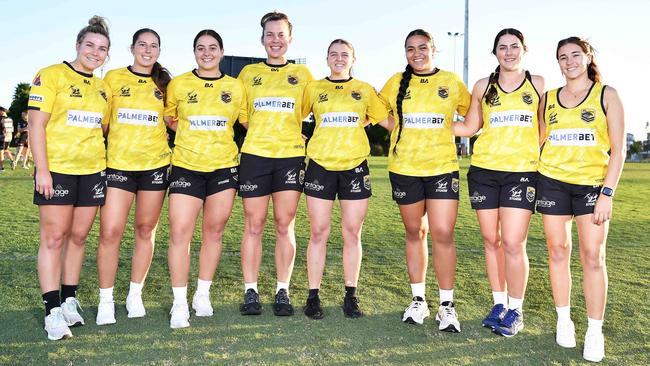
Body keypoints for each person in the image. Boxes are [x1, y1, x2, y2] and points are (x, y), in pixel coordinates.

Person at [537, 37, 624, 362]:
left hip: (592, 187)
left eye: (575, 54)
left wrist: (607, 192)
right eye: (563, 57)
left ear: (588, 57)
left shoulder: (607, 95)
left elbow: (619, 149)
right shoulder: (548, 99)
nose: (569, 61)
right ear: (557, 62)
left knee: (593, 257)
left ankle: (594, 330)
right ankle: (563, 321)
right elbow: (539, 141)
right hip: (552, 183)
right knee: (558, 252)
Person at [453, 28, 544, 337]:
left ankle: (516, 309)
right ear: (495, 53)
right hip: (484, 172)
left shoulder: (538, 84)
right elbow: (470, 127)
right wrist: (427, 122)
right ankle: (498, 304)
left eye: (514, 46)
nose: (509, 52)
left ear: (524, 50)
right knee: (492, 241)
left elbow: (542, 129)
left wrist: (524, 153)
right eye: (502, 47)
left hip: (522, 172)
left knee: (514, 243)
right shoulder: (482, 85)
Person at [379, 29, 470, 332]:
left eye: (422, 47)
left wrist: (449, 130)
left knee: (442, 232)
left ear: (434, 49)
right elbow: (377, 113)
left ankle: (447, 305)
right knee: (415, 232)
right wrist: (396, 127)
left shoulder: (451, 81)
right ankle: (418, 300)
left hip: (442, 167)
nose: (416, 53)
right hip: (404, 168)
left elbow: (473, 119)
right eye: (410, 49)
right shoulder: (395, 82)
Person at [28, 15, 111, 340]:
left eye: (102, 48)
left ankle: (69, 300)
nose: (95, 52)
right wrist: (43, 169)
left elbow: (101, 130)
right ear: (78, 45)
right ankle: (51, 311)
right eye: (89, 45)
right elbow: (36, 125)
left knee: (78, 238)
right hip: (58, 170)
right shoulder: (51, 75)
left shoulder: (103, 89)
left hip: (92, 171)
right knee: (53, 238)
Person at [164, 29, 246, 329]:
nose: (207, 52)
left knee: (213, 233)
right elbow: (170, 119)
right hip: (186, 166)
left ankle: (202, 294)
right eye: (201, 48)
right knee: (180, 232)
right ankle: (179, 302)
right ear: (194, 52)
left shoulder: (236, 87)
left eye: (213, 47)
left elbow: (247, 120)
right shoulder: (179, 84)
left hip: (224, 168)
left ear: (222, 52)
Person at [301, 39, 387, 319]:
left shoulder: (364, 89)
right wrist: (302, 137)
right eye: (334, 54)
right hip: (320, 166)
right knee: (318, 232)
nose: (339, 59)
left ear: (353, 59)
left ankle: (351, 294)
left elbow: (382, 117)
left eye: (345, 55)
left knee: (352, 233)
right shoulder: (313, 88)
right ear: (327, 59)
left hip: (354, 167)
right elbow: (295, 117)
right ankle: (313, 295)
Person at [237, 11, 313, 316]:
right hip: (255, 156)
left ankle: (283, 289)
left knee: (285, 224)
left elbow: (308, 111)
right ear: (262, 39)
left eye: (281, 35)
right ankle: (250, 290)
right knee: (254, 225)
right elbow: (242, 116)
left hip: (290, 158)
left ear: (290, 39)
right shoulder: (247, 74)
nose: (275, 40)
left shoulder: (304, 77)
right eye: (270, 34)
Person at [95, 28, 172, 325]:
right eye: (142, 44)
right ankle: (106, 300)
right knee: (110, 232)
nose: (148, 50)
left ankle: (134, 294)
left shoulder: (166, 84)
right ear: (132, 48)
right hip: (118, 166)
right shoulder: (113, 78)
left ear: (159, 51)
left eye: (154, 45)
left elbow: (175, 121)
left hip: (154, 167)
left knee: (145, 230)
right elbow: (101, 122)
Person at [0, 107, 15, 171]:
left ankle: (1, 168)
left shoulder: (1, 119)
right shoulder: (10, 119)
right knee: (5, 150)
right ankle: (13, 161)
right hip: (8, 137)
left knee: (1, 152)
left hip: (2, 137)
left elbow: (5, 129)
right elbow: (12, 129)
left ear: (1, 111)